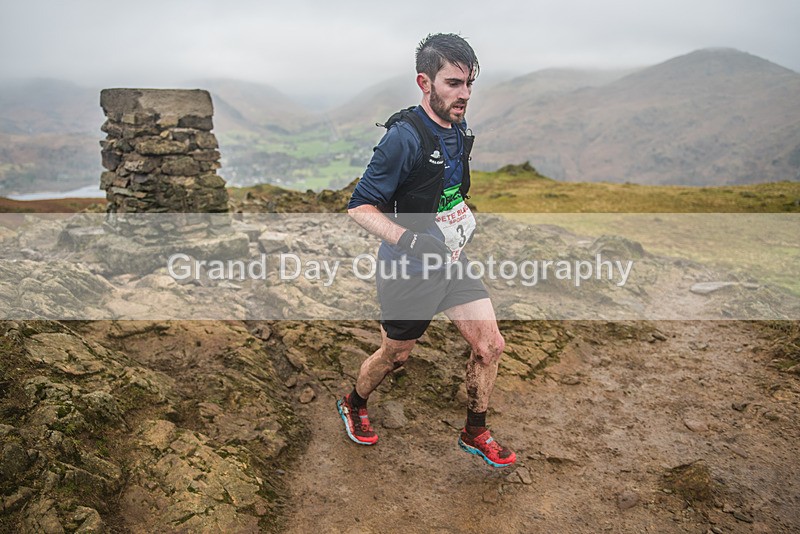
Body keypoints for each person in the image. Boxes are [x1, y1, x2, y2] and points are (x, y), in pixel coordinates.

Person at [337, 33, 516, 468]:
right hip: (406, 268)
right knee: (395, 355)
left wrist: (458, 216)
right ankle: (355, 402)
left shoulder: (459, 129)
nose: (465, 95)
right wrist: (410, 239)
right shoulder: (403, 138)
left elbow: (446, 190)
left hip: (451, 262)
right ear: (424, 82)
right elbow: (359, 205)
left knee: (490, 346)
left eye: (469, 84)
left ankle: (476, 431)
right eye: (454, 83)